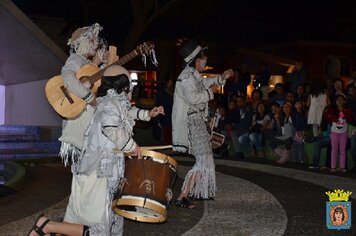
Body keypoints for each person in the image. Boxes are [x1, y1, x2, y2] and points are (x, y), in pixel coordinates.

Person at [27, 65, 164, 236]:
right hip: (98, 173)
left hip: (104, 170)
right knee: (99, 227)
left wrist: (148, 114)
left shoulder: (112, 102)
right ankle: (48, 226)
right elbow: (110, 127)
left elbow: (128, 112)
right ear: (122, 85)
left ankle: (49, 228)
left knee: (100, 221)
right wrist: (131, 146)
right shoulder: (109, 104)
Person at [172, 39, 233, 208]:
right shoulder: (185, 78)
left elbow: (206, 82)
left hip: (198, 122)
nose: (206, 59)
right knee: (203, 160)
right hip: (193, 123)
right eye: (203, 57)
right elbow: (193, 97)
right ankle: (182, 196)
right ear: (195, 60)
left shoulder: (193, 75)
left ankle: (199, 191)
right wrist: (211, 92)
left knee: (205, 159)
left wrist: (221, 78)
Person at [58, 23, 110, 164]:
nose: (96, 44)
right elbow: (67, 77)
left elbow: (92, 82)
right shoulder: (76, 58)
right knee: (83, 172)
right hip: (79, 123)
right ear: (83, 43)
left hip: (88, 124)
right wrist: (88, 97)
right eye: (92, 40)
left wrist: (103, 64)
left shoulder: (88, 63)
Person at [324, 94, 353, 173]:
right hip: (334, 133)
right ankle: (333, 167)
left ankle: (342, 167)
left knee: (342, 150)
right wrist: (331, 118)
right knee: (334, 150)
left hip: (344, 133)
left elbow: (350, 119)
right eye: (337, 100)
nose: (339, 101)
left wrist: (344, 114)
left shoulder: (348, 110)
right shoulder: (332, 109)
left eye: (341, 99)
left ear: (344, 101)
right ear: (335, 102)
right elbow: (327, 117)